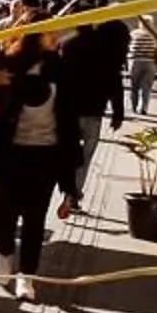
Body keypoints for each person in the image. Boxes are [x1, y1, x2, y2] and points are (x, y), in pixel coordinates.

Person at [0, 23, 76, 299]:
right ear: (35, 34)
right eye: (51, 32)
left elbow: (69, 120)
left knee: (35, 218)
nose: (57, 36)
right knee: (3, 211)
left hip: (44, 154)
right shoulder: (10, 66)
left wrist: (69, 185)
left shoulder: (60, 69)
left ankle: (27, 277)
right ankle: (5, 252)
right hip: (8, 153)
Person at [61, 14, 129, 206]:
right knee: (86, 155)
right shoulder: (106, 48)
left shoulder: (67, 44)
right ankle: (73, 192)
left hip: (69, 109)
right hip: (94, 109)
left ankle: (67, 186)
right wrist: (118, 112)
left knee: (68, 152)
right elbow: (115, 83)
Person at [125, 20, 157, 116]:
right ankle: (143, 108)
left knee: (134, 86)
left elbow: (127, 47)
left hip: (134, 61)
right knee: (146, 87)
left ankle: (134, 107)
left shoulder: (133, 33)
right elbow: (156, 51)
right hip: (149, 62)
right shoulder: (154, 35)